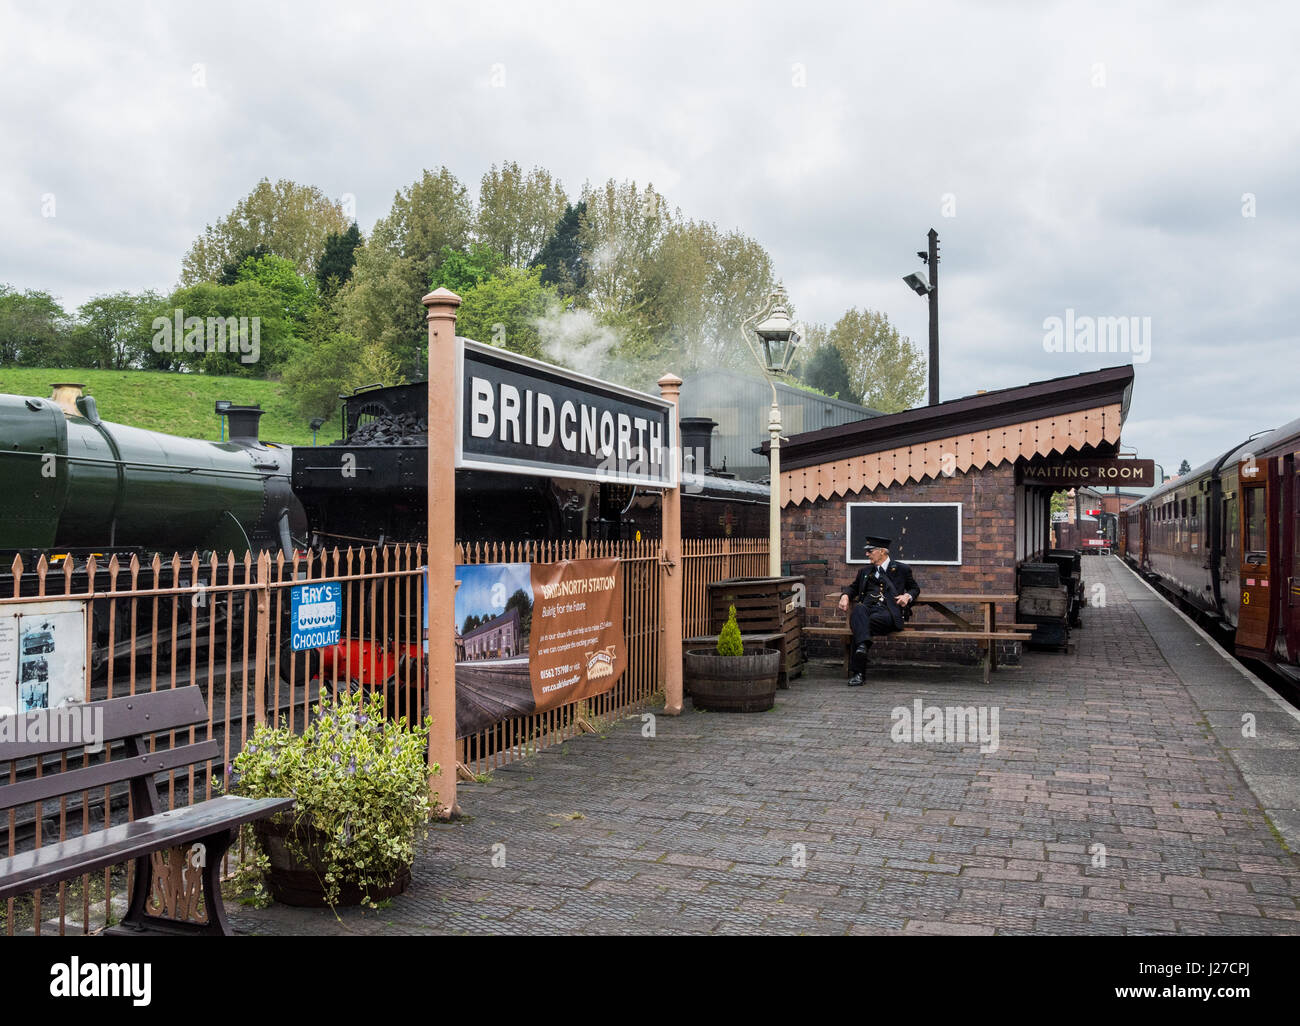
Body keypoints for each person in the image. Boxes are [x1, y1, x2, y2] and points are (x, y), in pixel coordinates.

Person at [837, 535, 920, 686]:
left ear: (882, 552)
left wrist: (907, 596)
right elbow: (853, 587)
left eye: (870, 551)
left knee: (860, 625)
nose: (867, 554)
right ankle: (862, 648)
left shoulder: (901, 569)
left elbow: (915, 588)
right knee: (859, 610)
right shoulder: (865, 571)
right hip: (867, 609)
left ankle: (859, 672)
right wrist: (845, 596)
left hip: (889, 613)